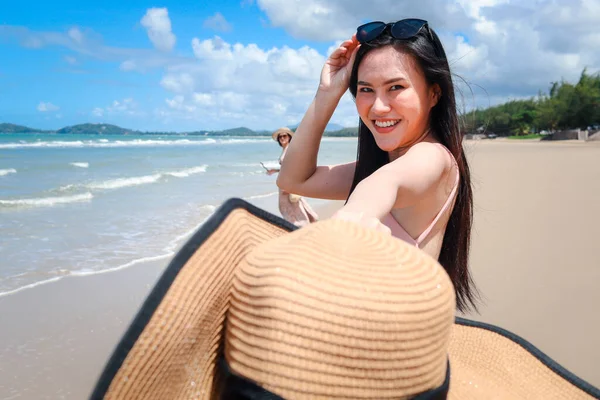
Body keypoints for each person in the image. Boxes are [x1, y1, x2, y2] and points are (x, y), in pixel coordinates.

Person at [276, 19, 477, 312]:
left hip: (389, 345)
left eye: (395, 87)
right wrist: (328, 92)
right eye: (366, 89)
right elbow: (293, 179)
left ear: (434, 93)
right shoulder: (382, 163)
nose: (378, 107)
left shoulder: (435, 158)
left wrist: (354, 219)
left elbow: (385, 183)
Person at [265, 127, 319, 227]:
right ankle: (308, 225)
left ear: (289, 137)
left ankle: (300, 229)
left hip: (287, 185)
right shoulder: (286, 149)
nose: (282, 138)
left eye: (284, 136)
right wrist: (275, 170)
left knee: (291, 208)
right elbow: (287, 168)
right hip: (286, 184)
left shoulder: (290, 150)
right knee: (296, 206)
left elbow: (295, 167)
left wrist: (290, 186)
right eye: (280, 137)